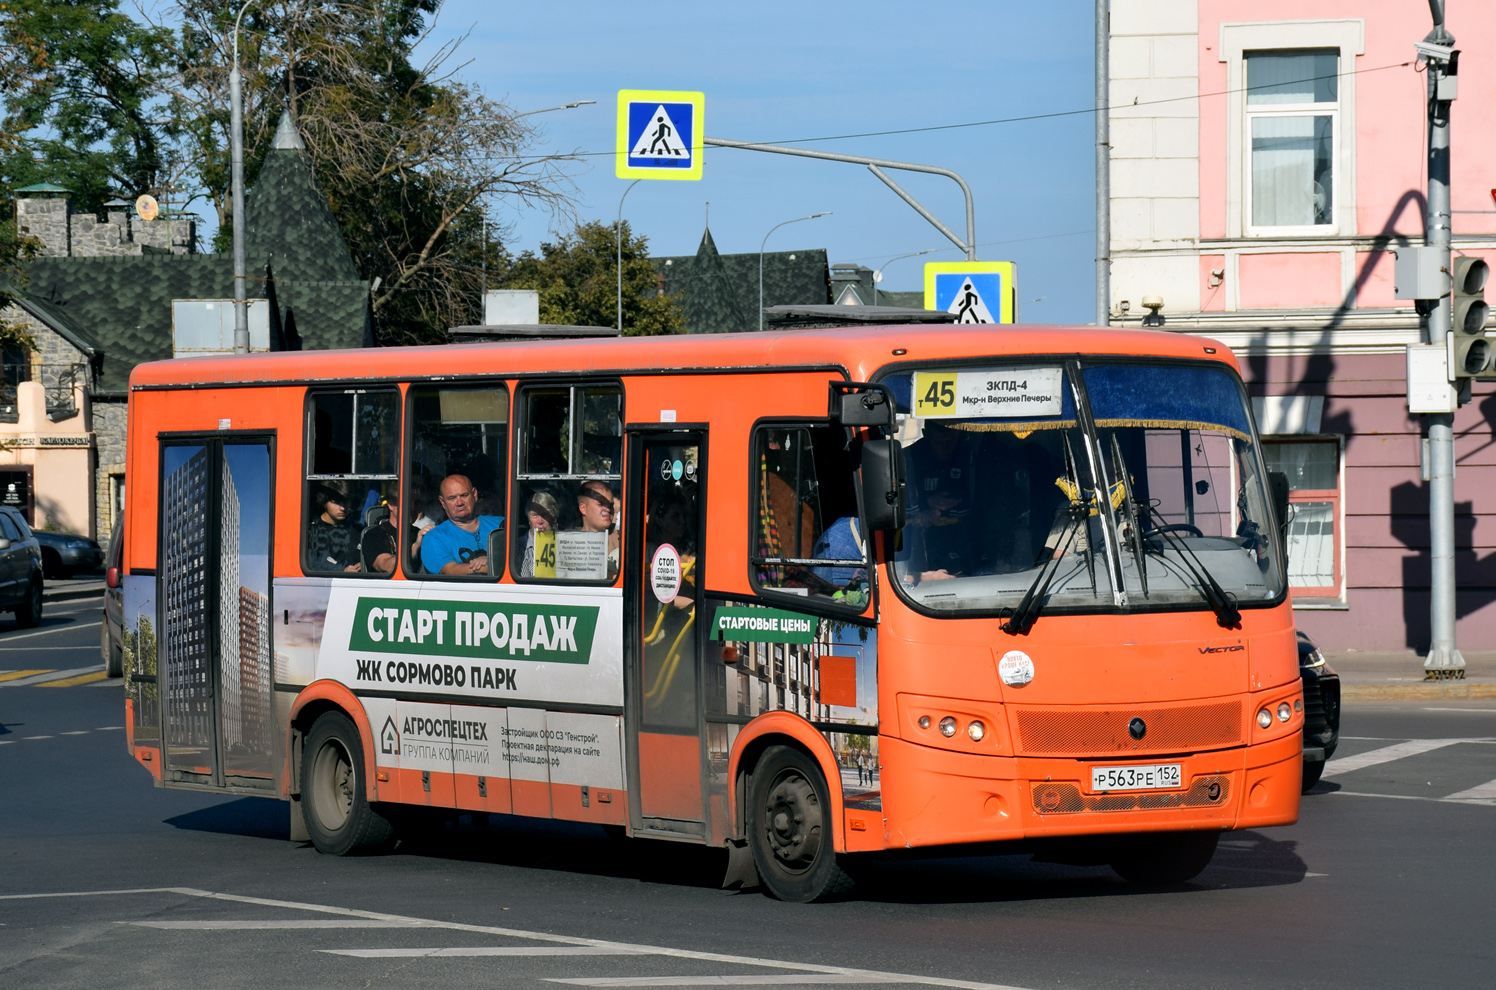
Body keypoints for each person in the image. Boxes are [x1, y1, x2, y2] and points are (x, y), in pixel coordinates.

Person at [420, 474, 504, 576]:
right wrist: (492, 564)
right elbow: (450, 571)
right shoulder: (435, 537)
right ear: (442, 502)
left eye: (464, 495)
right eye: (452, 498)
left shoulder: (501, 524)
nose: (459, 503)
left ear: (474, 494)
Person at [362, 492, 433, 575]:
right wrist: (415, 547)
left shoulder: (421, 534)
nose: (413, 508)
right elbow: (388, 567)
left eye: (417, 503)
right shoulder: (374, 535)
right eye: (408, 502)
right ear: (390, 504)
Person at [572, 479, 620, 581]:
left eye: (610, 504)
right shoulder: (570, 544)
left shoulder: (622, 539)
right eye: (601, 503)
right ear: (583, 508)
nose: (608, 509)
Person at [307, 482, 360, 572]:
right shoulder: (311, 532)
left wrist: (363, 566)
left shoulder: (358, 530)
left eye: (346, 502)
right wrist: (342, 570)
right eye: (336, 502)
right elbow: (311, 564)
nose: (343, 508)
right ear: (324, 502)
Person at [519, 490, 559, 578]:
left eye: (545, 515)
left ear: (554, 517)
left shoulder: (564, 544)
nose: (540, 521)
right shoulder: (518, 547)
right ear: (528, 518)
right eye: (535, 515)